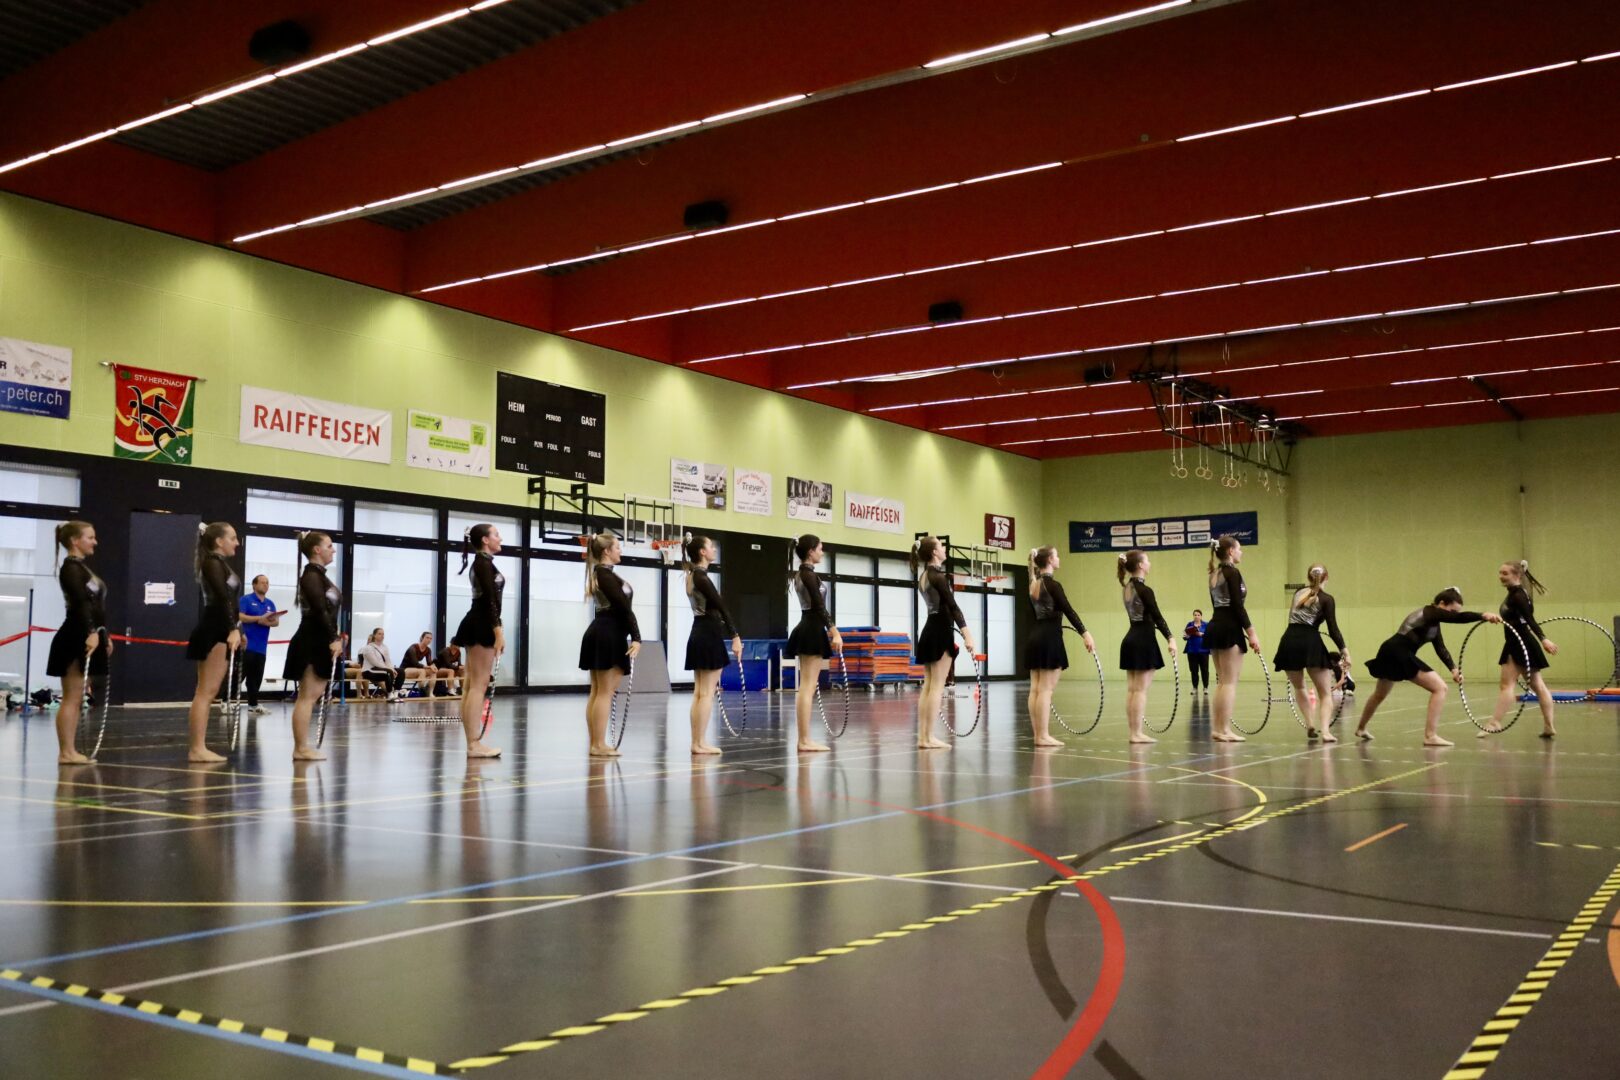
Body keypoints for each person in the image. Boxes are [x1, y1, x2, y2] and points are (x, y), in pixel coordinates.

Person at [1355, 588, 1502, 746]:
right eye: (1452, 610)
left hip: (1391, 650)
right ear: (1441, 603)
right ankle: (1430, 736)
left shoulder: (1434, 624)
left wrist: (1453, 669)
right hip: (1398, 651)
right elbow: (1458, 618)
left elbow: (1441, 648)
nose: (1452, 615)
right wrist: (1483, 615)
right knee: (1440, 688)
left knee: (1379, 694)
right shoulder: (1429, 612)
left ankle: (1361, 728)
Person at [45, 520, 111, 764]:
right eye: (90, 537)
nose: (95, 542)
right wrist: (91, 632)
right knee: (72, 696)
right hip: (75, 635)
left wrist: (104, 635)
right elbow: (81, 603)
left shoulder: (81, 568)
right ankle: (66, 752)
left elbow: (96, 607)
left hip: (88, 632)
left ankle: (70, 750)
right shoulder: (71, 569)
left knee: (77, 696)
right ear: (75, 541)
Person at [1023, 545, 1093, 747]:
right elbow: (1068, 610)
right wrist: (1085, 633)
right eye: (1057, 555)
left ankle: (1038, 735)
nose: (1059, 559)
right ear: (1050, 560)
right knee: (1045, 690)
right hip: (1049, 638)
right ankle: (1043, 735)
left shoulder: (1033, 585)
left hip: (1035, 637)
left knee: (1035, 689)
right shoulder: (1053, 585)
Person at [1481, 560, 1559, 739]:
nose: (1501, 576)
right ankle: (1549, 726)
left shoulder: (1518, 596)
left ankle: (1494, 723)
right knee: (1538, 686)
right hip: (1519, 641)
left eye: (1505, 573)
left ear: (1517, 575)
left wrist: (1543, 639)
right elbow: (1519, 619)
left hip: (1519, 643)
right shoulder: (1516, 593)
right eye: (1500, 573)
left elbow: (1529, 620)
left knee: (1507, 685)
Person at [184, 522, 242, 762]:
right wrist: (232, 628)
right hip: (214, 629)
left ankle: (199, 747)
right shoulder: (212, 563)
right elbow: (221, 597)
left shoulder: (218, 563)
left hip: (221, 628)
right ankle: (197, 748)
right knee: (205, 692)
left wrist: (237, 628)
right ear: (219, 541)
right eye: (233, 538)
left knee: (209, 692)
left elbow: (229, 601)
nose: (237, 542)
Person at [280, 530, 340, 760]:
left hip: (319, 638)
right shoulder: (311, 576)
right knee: (307, 696)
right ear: (317, 549)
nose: (333, 550)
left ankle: (301, 747)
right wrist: (333, 638)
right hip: (312, 639)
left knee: (311, 696)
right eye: (329, 546)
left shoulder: (319, 575)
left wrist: (333, 637)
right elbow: (319, 610)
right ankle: (300, 748)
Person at [580, 531, 640, 757]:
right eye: (617, 547)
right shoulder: (604, 575)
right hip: (608, 633)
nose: (620, 551)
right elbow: (623, 608)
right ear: (606, 551)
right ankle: (598, 743)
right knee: (604, 692)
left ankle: (596, 743)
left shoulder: (602, 574)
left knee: (598, 691)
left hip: (603, 631)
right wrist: (637, 637)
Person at [912, 535, 975, 750]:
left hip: (931, 629)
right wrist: (967, 635)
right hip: (940, 632)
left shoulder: (924, 576)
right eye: (941, 546)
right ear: (934, 552)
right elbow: (953, 606)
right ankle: (928, 737)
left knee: (929, 686)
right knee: (937, 687)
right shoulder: (937, 576)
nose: (944, 549)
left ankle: (923, 737)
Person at [1274, 565, 1349, 743]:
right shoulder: (1327, 599)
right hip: (1310, 642)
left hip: (1289, 640)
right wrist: (1345, 651)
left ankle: (1310, 724)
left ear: (1308, 577)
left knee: (1300, 687)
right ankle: (1325, 732)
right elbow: (1333, 629)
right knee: (1325, 693)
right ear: (1326, 577)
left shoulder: (1298, 593)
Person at [683, 534, 742, 756]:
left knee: (700, 692)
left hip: (698, 631)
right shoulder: (701, 578)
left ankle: (697, 742)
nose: (714, 549)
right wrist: (735, 636)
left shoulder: (692, 576)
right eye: (710, 546)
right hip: (708, 633)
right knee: (706, 693)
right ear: (702, 552)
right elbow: (721, 607)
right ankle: (699, 742)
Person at [453, 523, 506, 758]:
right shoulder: (483, 564)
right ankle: (473, 744)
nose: (500, 538)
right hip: (481, 623)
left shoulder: (484, 563)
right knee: (478, 685)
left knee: (472, 685)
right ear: (485, 540)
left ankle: (472, 742)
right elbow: (489, 600)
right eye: (496, 535)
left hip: (479, 621)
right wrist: (498, 631)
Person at [783, 534, 839, 753]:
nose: (822, 552)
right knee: (807, 687)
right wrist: (834, 631)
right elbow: (819, 606)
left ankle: (804, 739)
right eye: (820, 549)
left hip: (808, 627)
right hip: (812, 629)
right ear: (810, 551)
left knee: (807, 687)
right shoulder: (807, 575)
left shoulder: (804, 574)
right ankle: (804, 740)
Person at [1204, 535, 1260, 742]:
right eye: (1239, 549)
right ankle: (1224, 729)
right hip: (1228, 628)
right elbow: (1238, 606)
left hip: (1216, 625)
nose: (1241, 552)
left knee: (1222, 682)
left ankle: (1218, 729)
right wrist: (1252, 633)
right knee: (1229, 683)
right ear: (1230, 551)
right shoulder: (1232, 572)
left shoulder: (1214, 574)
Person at [1119, 549, 1177, 744]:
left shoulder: (1127, 588)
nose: (1149, 563)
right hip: (1143, 640)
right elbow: (1157, 616)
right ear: (1140, 565)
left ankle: (1133, 732)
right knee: (1140, 690)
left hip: (1131, 639)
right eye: (1147, 560)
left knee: (1132, 690)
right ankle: (1136, 733)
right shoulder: (1145, 590)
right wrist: (1170, 638)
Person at [237, 574, 279, 715]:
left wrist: (266, 621)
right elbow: (240, 616)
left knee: (256, 678)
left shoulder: (270, 603)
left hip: (261, 648)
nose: (265, 585)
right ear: (254, 585)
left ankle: (253, 705)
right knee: (239, 676)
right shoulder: (246, 600)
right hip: (246, 645)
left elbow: (276, 622)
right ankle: (225, 701)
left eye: (267, 582)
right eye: (262, 582)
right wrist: (258, 618)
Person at [359, 628, 403, 700]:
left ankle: (396, 693)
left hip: (382, 669)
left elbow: (388, 661)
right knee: (389, 672)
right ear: (374, 635)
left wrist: (392, 668)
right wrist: (390, 669)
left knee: (401, 671)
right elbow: (375, 663)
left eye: (383, 634)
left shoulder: (384, 647)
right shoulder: (368, 648)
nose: (382, 636)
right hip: (369, 670)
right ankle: (389, 694)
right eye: (379, 634)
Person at [401, 632, 448, 698]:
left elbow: (429, 663)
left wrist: (434, 666)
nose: (429, 640)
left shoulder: (428, 650)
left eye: (430, 638)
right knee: (422, 671)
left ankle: (430, 692)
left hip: (416, 669)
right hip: (405, 669)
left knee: (433, 671)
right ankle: (421, 692)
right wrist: (429, 666)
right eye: (427, 638)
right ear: (422, 638)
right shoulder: (413, 648)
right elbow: (415, 663)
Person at [1184, 609, 1210, 693]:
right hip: (1192, 651)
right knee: (1194, 670)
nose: (1197, 616)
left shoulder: (1206, 625)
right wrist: (1187, 636)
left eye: (1198, 615)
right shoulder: (1189, 624)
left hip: (1204, 651)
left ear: (1201, 616)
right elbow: (1185, 636)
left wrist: (1202, 634)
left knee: (1204, 670)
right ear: (1193, 616)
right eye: (1195, 615)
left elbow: (1210, 635)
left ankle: (1205, 687)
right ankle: (1195, 687)